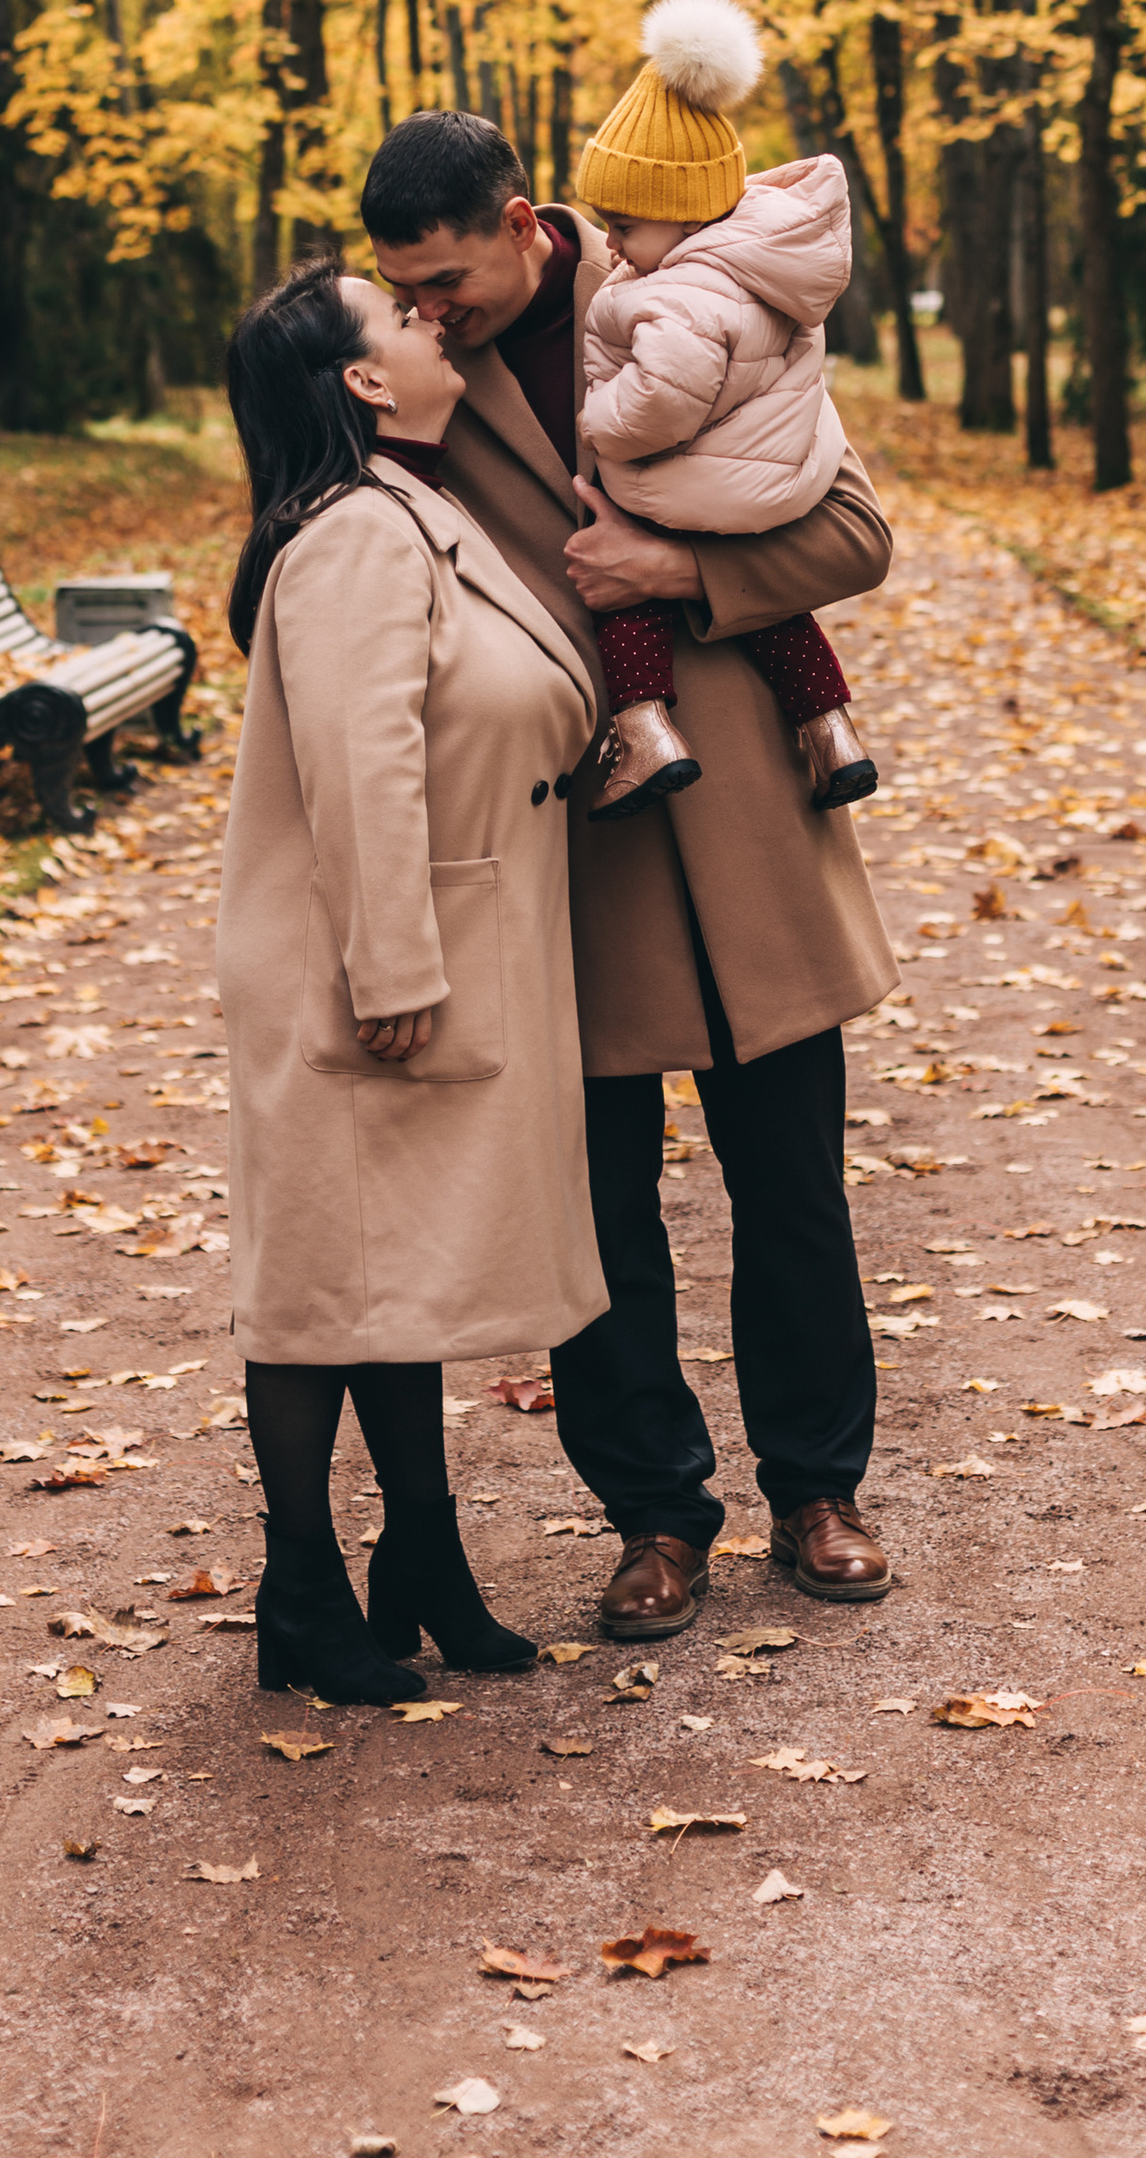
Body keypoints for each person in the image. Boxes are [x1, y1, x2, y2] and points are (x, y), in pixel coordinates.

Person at [361, 107, 899, 1636]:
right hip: (564, 845)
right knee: (597, 1206)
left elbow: (855, 531)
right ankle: (654, 1514)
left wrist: (685, 574)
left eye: (450, 281)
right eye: (406, 289)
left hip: (746, 826)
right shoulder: (414, 379)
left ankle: (818, 1489)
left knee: (793, 1181)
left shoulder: (694, 293)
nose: (430, 313)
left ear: (527, 223)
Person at [216, 260, 606, 1703]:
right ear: (364, 380)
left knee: (390, 1280)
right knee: (323, 1286)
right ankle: (301, 1592)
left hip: (419, 946)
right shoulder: (356, 537)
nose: (428, 316)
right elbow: (360, 761)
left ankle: (422, 1560)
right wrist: (392, 960)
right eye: (397, 315)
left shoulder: (413, 507)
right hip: (359, 962)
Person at [572, 0, 879, 823]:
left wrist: (599, 420)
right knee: (779, 615)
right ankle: (829, 729)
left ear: (681, 216)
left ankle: (643, 728)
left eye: (625, 225)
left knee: (627, 588)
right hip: (779, 482)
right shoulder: (764, 269)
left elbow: (663, 403)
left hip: (709, 485)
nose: (612, 244)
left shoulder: (684, 292)